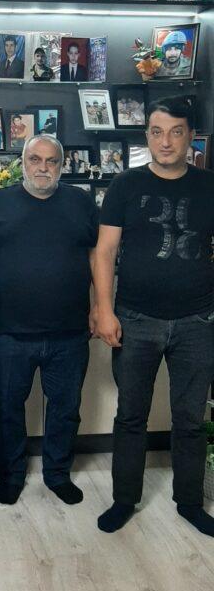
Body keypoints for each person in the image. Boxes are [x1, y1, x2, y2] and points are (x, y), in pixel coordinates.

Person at [93, 96, 214, 537]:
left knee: (190, 419)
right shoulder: (125, 185)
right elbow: (104, 252)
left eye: (176, 132)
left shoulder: (209, 185)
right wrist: (105, 310)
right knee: (130, 416)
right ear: (147, 136)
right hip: (135, 318)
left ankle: (189, 502)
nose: (166, 142)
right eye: (158, 132)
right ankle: (124, 499)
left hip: (198, 320)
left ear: (190, 137)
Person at [0, 135, 98, 506]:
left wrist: (99, 306)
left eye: (52, 161)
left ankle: (57, 474)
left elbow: (97, 258)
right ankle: (12, 474)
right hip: (10, 332)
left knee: (65, 409)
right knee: (7, 408)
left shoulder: (81, 203)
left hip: (70, 331)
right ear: (23, 162)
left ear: (62, 166)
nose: (43, 168)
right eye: (35, 159)